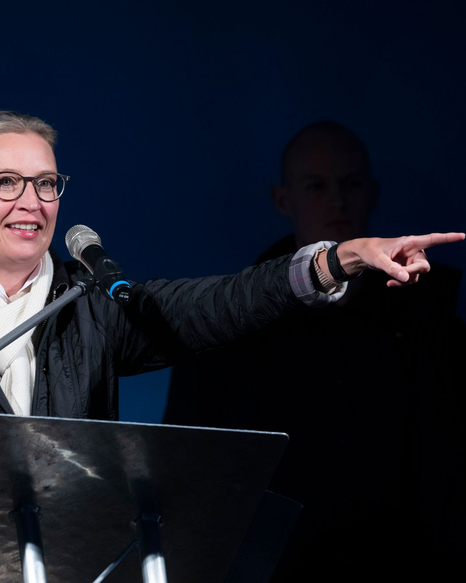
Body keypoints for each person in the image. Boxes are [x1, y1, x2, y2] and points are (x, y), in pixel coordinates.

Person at [0, 111, 463, 558]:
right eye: (6, 182)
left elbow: (221, 302)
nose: (31, 201)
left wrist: (333, 261)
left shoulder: (90, 307)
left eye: (47, 184)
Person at [165, 121, 465, 581]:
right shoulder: (233, 324)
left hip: (405, 559)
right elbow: (190, 469)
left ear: (373, 192)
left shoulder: (427, 318)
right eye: (317, 186)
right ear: (284, 199)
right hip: (276, 566)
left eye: (350, 184)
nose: (337, 201)